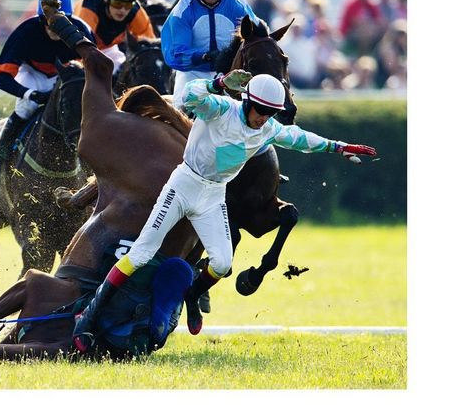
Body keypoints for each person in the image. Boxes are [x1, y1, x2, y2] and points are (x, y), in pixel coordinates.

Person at [72, 71, 377, 352]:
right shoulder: (219, 108)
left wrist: (340, 147)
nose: (265, 119)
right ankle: (88, 317)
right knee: (140, 254)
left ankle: (192, 293)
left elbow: (300, 140)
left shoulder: (268, 128)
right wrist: (217, 83)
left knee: (221, 262)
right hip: (184, 183)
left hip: (213, 195)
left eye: (271, 113)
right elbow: (189, 96)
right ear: (248, 102)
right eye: (261, 111)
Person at [0, 0, 94, 186]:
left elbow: (95, 70)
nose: (55, 28)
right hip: (32, 74)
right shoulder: (25, 33)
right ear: (41, 19)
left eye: (61, 22)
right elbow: (1, 76)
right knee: (25, 107)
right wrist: (28, 93)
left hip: (67, 76)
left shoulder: (82, 31)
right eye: (49, 22)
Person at [160, 0, 259, 108]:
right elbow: (175, 53)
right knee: (182, 108)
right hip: (192, 74)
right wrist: (205, 56)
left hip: (230, 74)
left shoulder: (237, 4)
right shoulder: (184, 8)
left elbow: (258, 36)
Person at [73, 0, 156, 74]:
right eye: (117, 3)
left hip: (109, 49)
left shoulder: (136, 11)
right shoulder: (89, 8)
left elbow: (150, 45)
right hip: (77, 49)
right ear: (106, 0)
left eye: (128, 5)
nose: (122, 10)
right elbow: (81, 48)